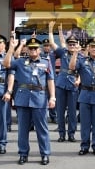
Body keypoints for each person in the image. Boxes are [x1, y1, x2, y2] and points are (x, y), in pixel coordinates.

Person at [3, 37, 56, 165]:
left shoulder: (46, 62)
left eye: (35, 48)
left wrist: (52, 97)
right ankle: (23, 153)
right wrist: (11, 48)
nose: (32, 50)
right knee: (22, 129)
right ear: (26, 49)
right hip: (23, 98)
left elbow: (50, 80)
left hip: (39, 98)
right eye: (30, 48)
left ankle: (45, 154)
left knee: (42, 129)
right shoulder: (20, 62)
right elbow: (6, 64)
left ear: (40, 50)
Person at [69, 37, 95, 156]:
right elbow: (72, 67)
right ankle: (84, 146)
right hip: (85, 96)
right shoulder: (82, 60)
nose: (94, 49)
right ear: (88, 48)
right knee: (85, 124)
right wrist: (75, 53)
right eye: (92, 46)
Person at [48, 21, 78, 143]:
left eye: (73, 44)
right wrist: (51, 30)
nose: (71, 45)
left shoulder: (80, 56)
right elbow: (52, 43)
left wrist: (79, 80)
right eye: (70, 44)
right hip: (61, 84)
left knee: (72, 112)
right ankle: (61, 134)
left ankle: (71, 134)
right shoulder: (63, 52)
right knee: (60, 111)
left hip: (72, 85)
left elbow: (81, 71)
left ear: (77, 45)